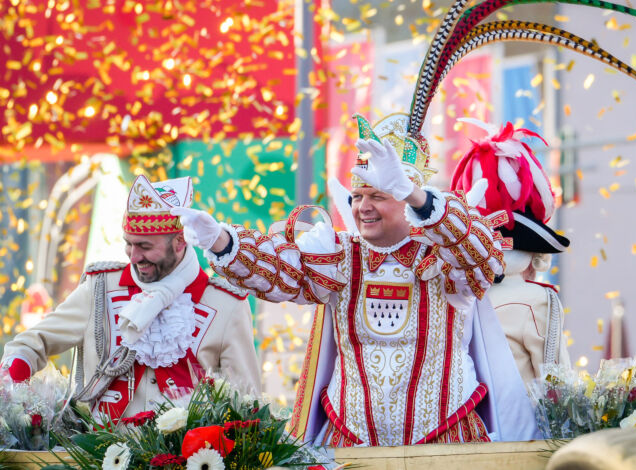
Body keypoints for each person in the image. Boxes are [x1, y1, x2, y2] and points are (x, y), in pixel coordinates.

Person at [174, 113, 539, 446]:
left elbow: (483, 258)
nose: (363, 206)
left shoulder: (445, 253)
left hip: (446, 437)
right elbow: (280, 275)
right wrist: (221, 241)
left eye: (379, 195)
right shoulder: (338, 253)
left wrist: (415, 195)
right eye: (358, 195)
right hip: (350, 442)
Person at [1, 175, 260, 420]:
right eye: (129, 243)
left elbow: (248, 406)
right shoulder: (100, 288)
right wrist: (18, 392)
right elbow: (30, 344)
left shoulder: (227, 306)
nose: (133, 257)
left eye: (145, 246)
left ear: (180, 242)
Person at [451, 119, 571, 383]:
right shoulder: (537, 299)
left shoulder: (450, 299)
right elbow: (558, 387)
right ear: (532, 255)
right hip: (520, 423)